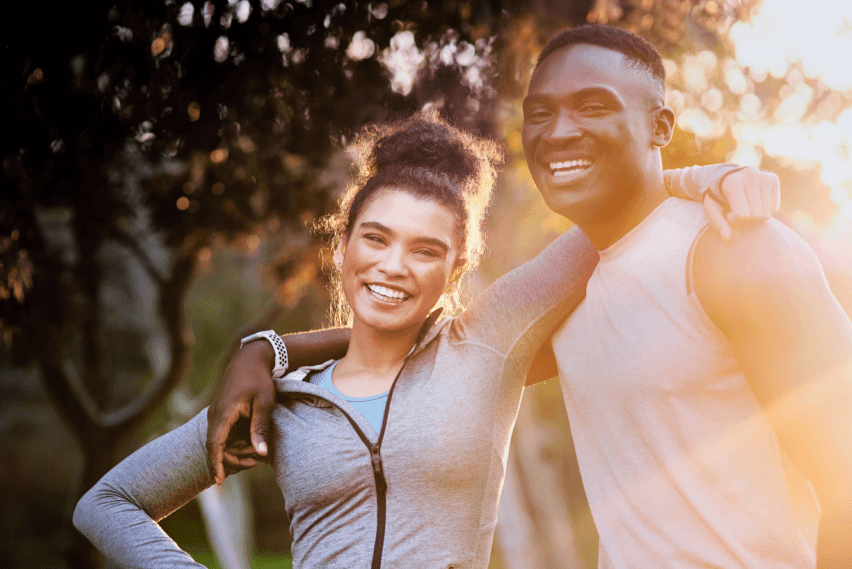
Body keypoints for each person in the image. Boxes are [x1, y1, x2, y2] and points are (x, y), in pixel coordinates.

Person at [210, 24, 852, 569]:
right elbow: (434, 344)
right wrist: (263, 350)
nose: (559, 131)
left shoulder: (732, 250)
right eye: (540, 113)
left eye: (592, 107)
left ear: (660, 126)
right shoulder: (570, 286)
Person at [74, 112, 776, 568]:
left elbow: (613, 217)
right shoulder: (277, 402)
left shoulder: (487, 345)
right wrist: (267, 353)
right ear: (343, 248)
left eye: (423, 250)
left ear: (455, 269)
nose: (392, 266)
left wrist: (705, 176)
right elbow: (106, 505)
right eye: (374, 239)